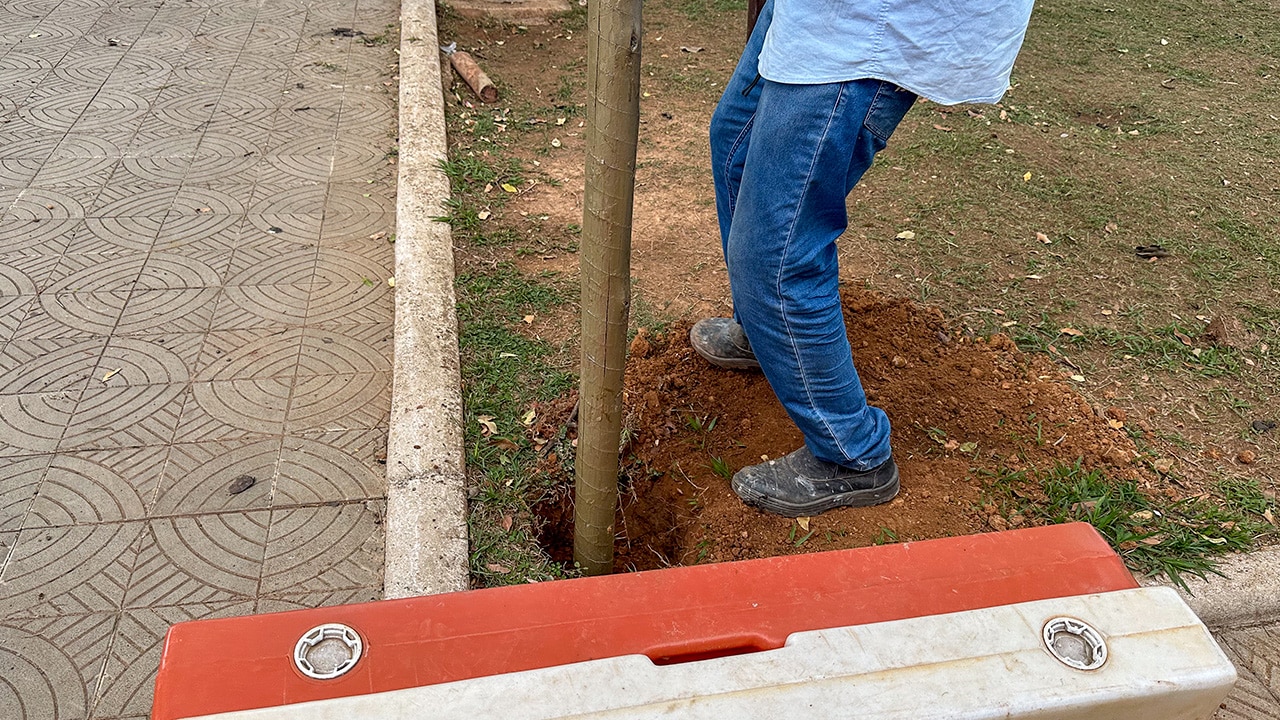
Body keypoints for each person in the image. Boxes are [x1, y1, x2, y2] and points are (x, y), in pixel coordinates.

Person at [691, 0, 1036, 517]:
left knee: (776, 255)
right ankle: (767, 339)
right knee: (734, 144)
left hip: (868, 29)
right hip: (814, 14)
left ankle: (853, 454)